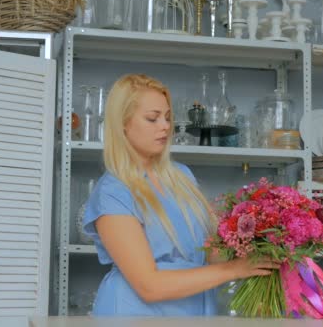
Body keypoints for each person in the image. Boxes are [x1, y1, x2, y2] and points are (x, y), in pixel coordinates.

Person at [82, 74, 279, 316]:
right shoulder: (113, 191)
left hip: (194, 310)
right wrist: (235, 269)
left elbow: (210, 252)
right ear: (122, 123)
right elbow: (149, 286)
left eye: (167, 117)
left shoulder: (181, 176)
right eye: (152, 118)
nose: (165, 126)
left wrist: (265, 249)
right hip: (135, 315)